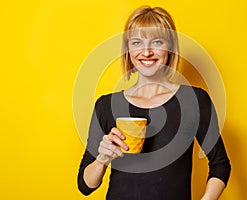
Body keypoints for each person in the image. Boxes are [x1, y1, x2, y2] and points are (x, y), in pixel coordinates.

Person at [77, 6, 231, 200]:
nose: (146, 52)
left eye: (157, 42)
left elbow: (220, 164)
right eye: (137, 42)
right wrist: (102, 159)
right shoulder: (106, 106)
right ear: (128, 50)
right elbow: (85, 185)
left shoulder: (194, 101)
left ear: (170, 48)